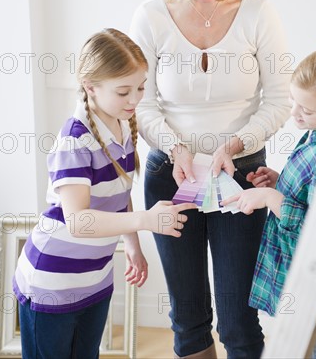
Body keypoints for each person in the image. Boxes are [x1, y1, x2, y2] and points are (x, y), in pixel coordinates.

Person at [129, 0, 291, 358]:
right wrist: (175, 146)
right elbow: (142, 103)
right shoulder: (151, 16)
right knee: (187, 317)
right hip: (171, 175)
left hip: (239, 178)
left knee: (239, 317)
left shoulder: (259, 12)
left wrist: (239, 142)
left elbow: (279, 101)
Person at [13, 28, 197, 359]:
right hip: (52, 282)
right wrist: (145, 220)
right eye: (124, 91)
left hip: (94, 278)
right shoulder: (75, 141)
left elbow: (118, 193)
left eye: (140, 88)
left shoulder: (122, 125)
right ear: (90, 87)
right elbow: (78, 222)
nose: (135, 99)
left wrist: (132, 245)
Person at [222, 46, 316, 359]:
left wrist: (269, 198)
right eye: (293, 103)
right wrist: (279, 183)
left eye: (307, 110)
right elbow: (311, 197)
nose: (295, 114)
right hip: (305, 280)